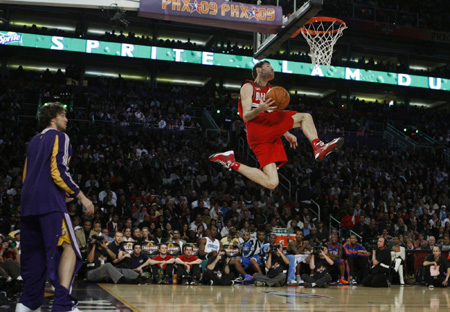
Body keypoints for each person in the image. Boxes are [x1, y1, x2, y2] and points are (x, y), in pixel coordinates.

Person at [209, 60, 343, 190]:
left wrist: (287, 133)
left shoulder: (272, 91)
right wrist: (260, 109)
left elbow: (275, 117)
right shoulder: (249, 87)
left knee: (272, 182)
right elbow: (246, 116)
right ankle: (318, 146)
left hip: (264, 136)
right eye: (268, 66)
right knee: (305, 117)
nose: (272, 69)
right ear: (259, 70)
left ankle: (230, 162)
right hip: (257, 128)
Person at [17, 103, 94, 312]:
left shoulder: (33, 142)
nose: (66, 120)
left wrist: (59, 194)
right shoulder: (60, 137)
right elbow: (58, 171)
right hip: (49, 203)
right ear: (53, 119)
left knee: (34, 254)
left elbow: (26, 176)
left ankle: (26, 304)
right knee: (71, 247)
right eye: (63, 115)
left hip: (28, 204)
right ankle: (63, 304)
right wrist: (82, 197)